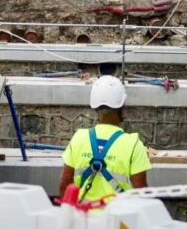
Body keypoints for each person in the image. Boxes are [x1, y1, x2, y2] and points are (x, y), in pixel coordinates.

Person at [58, 76, 150, 207]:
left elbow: (64, 185)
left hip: (83, 220)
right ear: (122, 106)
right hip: (118, 222)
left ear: (95, 107)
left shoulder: (79, 138)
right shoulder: (133, 144)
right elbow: (141, 194)